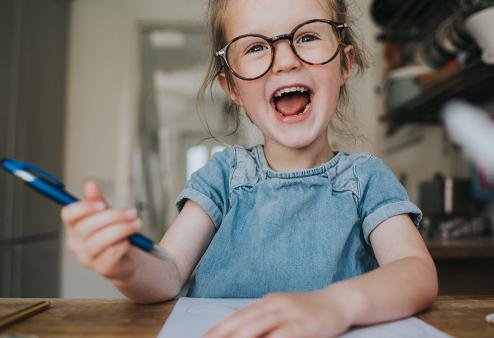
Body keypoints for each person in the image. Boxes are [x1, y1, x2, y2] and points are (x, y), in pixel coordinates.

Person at [61, 0, 438, 337]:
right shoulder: (224, 175)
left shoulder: (366, 179)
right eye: (256, 47)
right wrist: (126, 266)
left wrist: (335, 305)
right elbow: (168, 273)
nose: (287, 59)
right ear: (233, 88)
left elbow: (415, 271)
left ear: (345, 65)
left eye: (307, 37)